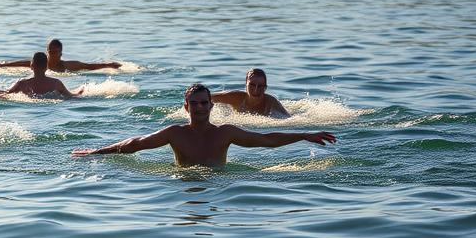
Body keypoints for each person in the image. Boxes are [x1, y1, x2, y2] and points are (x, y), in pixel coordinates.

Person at [70, 83, 335, 168]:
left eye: (202, 103)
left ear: (211, 106)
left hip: (219, 186)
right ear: (186, 106)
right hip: (183, 183)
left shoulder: (226, 132)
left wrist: (304, 135)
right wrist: (96, 153)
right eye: (193, 103)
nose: (198, 107)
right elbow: (135, 145)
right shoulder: (175, 133)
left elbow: (265, 139)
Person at [0, 52, 83, 98]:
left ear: (31, 66)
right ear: (46, 67)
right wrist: (80, 92)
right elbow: (71, 96)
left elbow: (5, 94)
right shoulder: (56, 83)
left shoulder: (22, 83)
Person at [0, 39, 121, 73]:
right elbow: (19, 63)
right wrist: (0, 65)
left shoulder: (67, 65)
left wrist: (108, 65)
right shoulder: (40, 63)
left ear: (60, 53)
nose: (51, 54)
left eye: (54, 52)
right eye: (49, 52)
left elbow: (88, 66)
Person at [212, 68, 290, 117]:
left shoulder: (271, 102)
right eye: (252, 85)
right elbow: (208, 97)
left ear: (265, 88)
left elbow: (289, 119)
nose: (256, 90)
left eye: (260, 86)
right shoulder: (235, 97)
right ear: (246, 85)